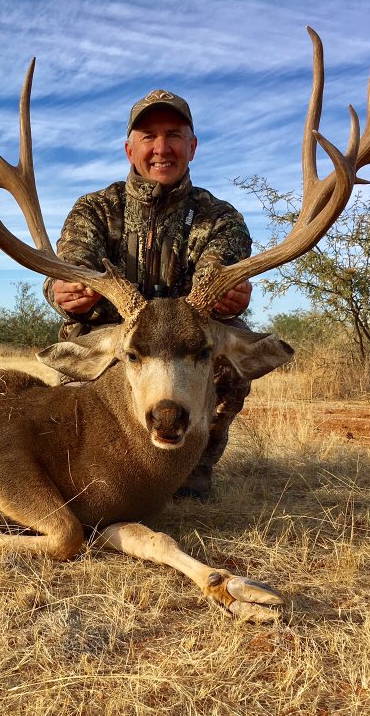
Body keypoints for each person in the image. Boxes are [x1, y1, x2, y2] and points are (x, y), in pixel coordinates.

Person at [43, 89, 254, 498]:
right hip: (116, 345)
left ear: (192, 146)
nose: (162, 148)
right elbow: (71, 265)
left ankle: (192, 467)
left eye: (174, 135)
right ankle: (91, 467)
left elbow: (218, 270)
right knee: (74, 410)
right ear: (129, 149)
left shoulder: (221, 218)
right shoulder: (95, 210)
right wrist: (62, 290)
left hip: (184, 346)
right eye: (148, 136)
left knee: (227, 358)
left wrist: (230, 297)